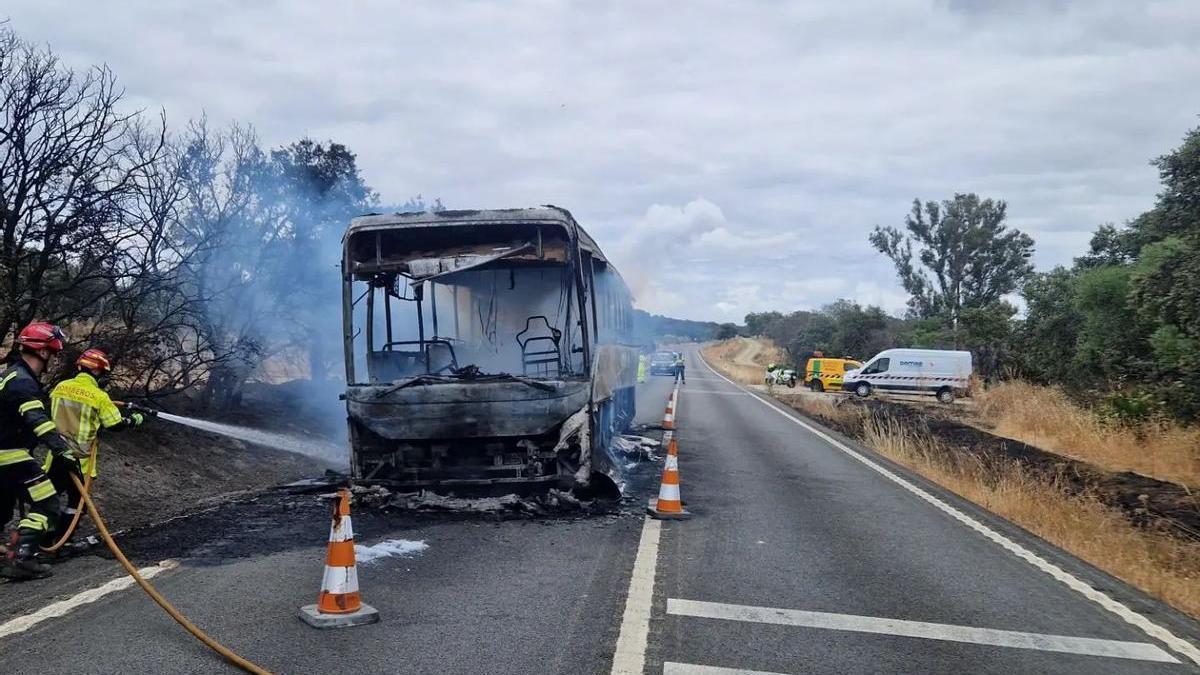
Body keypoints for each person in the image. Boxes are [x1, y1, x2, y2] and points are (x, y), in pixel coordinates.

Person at [43, 347, 147, 552]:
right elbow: (115, 424)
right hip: (79, 459)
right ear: (98, 372)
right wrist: (134, 419)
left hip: (55, 454)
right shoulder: (99, 396)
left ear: (80, 367)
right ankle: (62, 541)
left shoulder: (60, 387)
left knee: (47, 499)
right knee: (77, 501)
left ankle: (43, 540)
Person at [0, 322, 77, 580]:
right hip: (11, 456)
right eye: (54, 355)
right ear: (43, 352)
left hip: (6, 457)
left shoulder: (8, 375)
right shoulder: (23, 383)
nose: (54, 361)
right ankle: (22, 558)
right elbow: (38, 421)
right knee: (47, 502)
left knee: (1, 509)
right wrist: (63, 451)